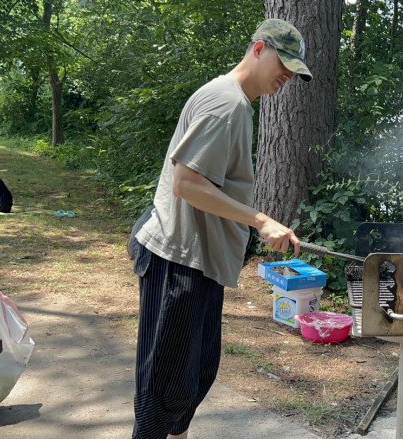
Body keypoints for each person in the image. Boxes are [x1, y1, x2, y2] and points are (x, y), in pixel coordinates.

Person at [129, 18, 312, 439]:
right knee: (164, 391)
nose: (287, 75)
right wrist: (261, 221)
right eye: (283, 62)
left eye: (294, 69)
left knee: (189, 381)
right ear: (259, 48)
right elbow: (187, 183)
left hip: (200, 261)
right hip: (180, 261)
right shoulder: (224, 104)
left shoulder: (237, 103)